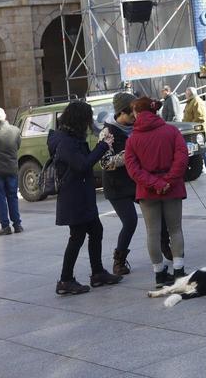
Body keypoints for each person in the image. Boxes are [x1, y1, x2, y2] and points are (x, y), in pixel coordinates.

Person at [49, 101, 123, 295]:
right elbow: (82, 165)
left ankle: (97, 272)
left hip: (81, 195)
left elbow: (84, 161)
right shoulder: (65, 141)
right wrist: (102, 146)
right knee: (77, 237)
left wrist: (101, 145)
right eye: (87, 118)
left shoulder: (72, 137)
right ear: (80, 119)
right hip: (74, 198)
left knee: (96, 231)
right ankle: (65, 280)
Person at [124, 97, 188, 288]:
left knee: (152, 232)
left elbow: (133, 169)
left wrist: (154, 183)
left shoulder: (133, 139)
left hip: (147, 191)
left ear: (137, 113)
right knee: (175, 229)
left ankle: (159, 274)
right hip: (172, 187)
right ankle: (179, 270)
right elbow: (182, 157)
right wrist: (167, 181)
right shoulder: (171, 131)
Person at [100, 92, 140, 275]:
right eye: (132, 113)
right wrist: (128, 155)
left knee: (157, 212)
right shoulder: (107, 132)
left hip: (138, 180)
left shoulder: (138, 126)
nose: (135, 116)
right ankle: (119, 261)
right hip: (117, 185)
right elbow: (105, 163)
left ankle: (165, 245)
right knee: (130, 221)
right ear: (121, 112)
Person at [183, 88, 206, 176]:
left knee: (203, 147)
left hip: (198, 130)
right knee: (198, 149)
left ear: (190, 93)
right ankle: (202, 168)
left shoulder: (196, 101)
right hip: (192, 129)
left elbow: (200, 117)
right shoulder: (191, 102)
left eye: (186, 93)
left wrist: (192, 126)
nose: (185, 95)